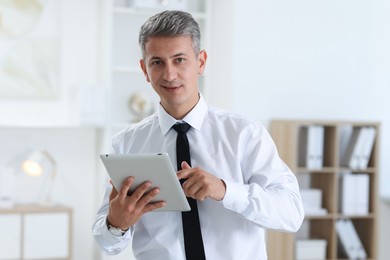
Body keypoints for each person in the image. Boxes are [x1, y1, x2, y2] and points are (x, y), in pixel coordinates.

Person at [93, 10, 304, 260]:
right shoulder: (126, 144)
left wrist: (226, 190)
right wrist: (117, 224)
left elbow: (291, 213)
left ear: (201, 62)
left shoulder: (245, 134)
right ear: (144, 69)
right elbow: (107, 244)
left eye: (179, 59)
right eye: (157, 62)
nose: (169, 75)